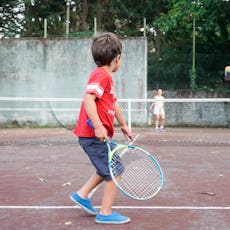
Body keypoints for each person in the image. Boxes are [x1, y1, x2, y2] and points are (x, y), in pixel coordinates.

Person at [70, 32, 133, 224]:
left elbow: (114, 103)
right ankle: (105, 213)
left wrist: (123, 125)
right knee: (115, 169)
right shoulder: (101, 76)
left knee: (107, 165)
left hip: (96, 136)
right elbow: (88, 99)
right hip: (93, 135)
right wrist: (98, 126)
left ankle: (82, 195)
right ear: (117, 59)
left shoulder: (105, 77)